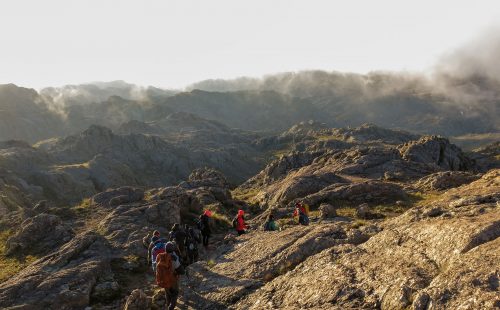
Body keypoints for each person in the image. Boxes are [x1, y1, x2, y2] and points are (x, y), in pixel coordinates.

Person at [156, 241, 183, 310]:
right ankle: (171, 308)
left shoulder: (160, 256)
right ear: (172, 249)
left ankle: (168, 306)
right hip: (172, 280)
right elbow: (180, 270)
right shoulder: (174, 257)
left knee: (168, 294)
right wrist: (182, 271)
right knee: (175, 293)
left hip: (164, 280)